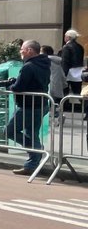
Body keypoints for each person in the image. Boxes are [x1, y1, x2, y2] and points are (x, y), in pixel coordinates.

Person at [6, 40, 51, 176]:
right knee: (32, 132)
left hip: (28, 106)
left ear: (30, 50)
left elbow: (19, 87)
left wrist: (10, 86)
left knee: (10, 131)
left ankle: (36, 151)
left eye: (22, 49)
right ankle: (32, 164)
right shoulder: (44, 64)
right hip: (41, 104)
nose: (21, 52)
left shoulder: (29, 66)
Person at [60, 29, 84, 99]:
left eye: (65, 36)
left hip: (69, 71)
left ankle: (66, 104)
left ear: (68, 37)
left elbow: (65, 61)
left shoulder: (66, 47)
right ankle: (78, 104)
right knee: (77, 91)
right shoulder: (80, 46)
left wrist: (63, 74)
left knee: (65, 91)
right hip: (79, 71)